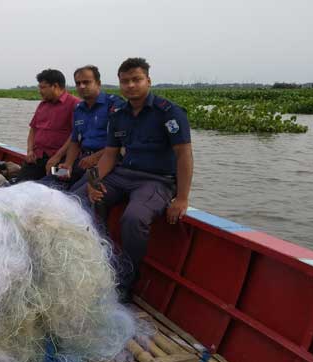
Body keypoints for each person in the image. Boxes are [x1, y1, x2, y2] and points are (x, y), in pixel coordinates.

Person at [77, 58, 193, 302]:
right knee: (81, 200)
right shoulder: (118, 115)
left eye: (136, 80)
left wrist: (182, 198)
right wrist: (93, 181)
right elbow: (109, 154)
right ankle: (98, 261)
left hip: (156, 180)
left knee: (134, 218)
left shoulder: (168, 112)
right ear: (119, 84)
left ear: (148, 81)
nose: (130, 85)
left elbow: (184, 154)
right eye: (125, 81)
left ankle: (127, 280)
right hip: (124, 174)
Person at [40, 65, 123, 190]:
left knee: (76, 193)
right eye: (78, 83)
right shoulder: (79, 109)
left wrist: (95, 157)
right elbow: (75, 140)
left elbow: (122, 142)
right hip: (81, 162)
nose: (82, 86)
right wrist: (68, 164)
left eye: (86, 82)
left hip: (103, 163)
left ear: (98, 83)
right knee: (47, 179)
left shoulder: (114, 104)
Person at [19, 69, 80, 182]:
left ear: (55, 86)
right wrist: (30, 150)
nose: (40, 91)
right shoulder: (42, 105)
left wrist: (57, 156)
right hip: (37, 158)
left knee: (57, 178)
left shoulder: (74, 104)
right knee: (19, 185)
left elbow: (75, 134)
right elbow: (33, 129)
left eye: (43, 87)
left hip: (60, 160)